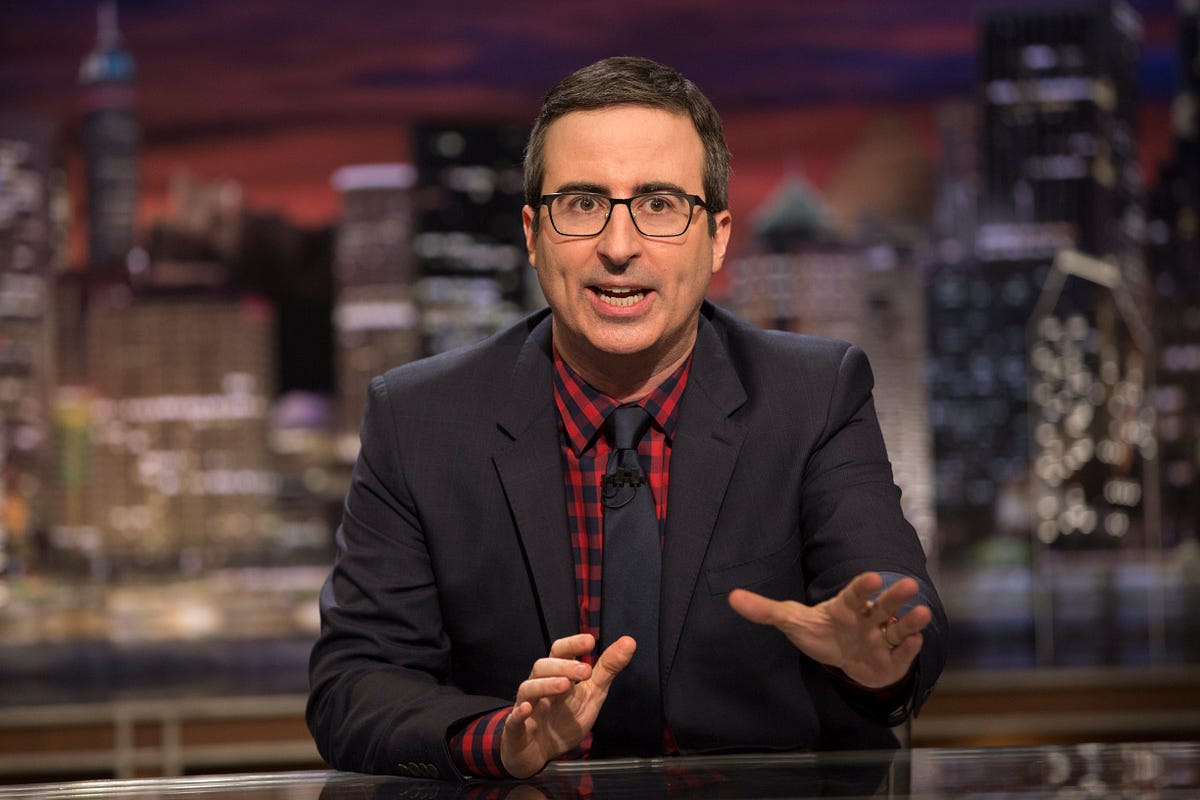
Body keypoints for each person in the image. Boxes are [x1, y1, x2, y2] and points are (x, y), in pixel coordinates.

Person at [307, 55, 947, 781]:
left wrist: (877, 659)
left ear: (718, 237)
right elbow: (353, 684)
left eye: (660, 205)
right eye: (582, 204)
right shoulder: (419, 419)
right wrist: (499, 739)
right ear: (532, 234)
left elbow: (891, 601)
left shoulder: (814, 394)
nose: (618, 247)